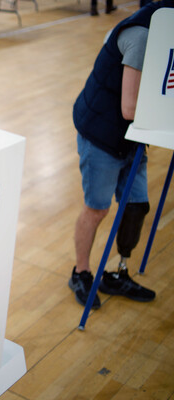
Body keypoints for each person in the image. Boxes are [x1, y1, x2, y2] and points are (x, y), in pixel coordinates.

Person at [69, 1, 173, 309]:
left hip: (130, 138)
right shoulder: (141, 36)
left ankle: (119, 273)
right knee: (97, 209)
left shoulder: (163, 30)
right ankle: (81, 272)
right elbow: (130, 107)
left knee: (136, 207)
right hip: (102, 136)